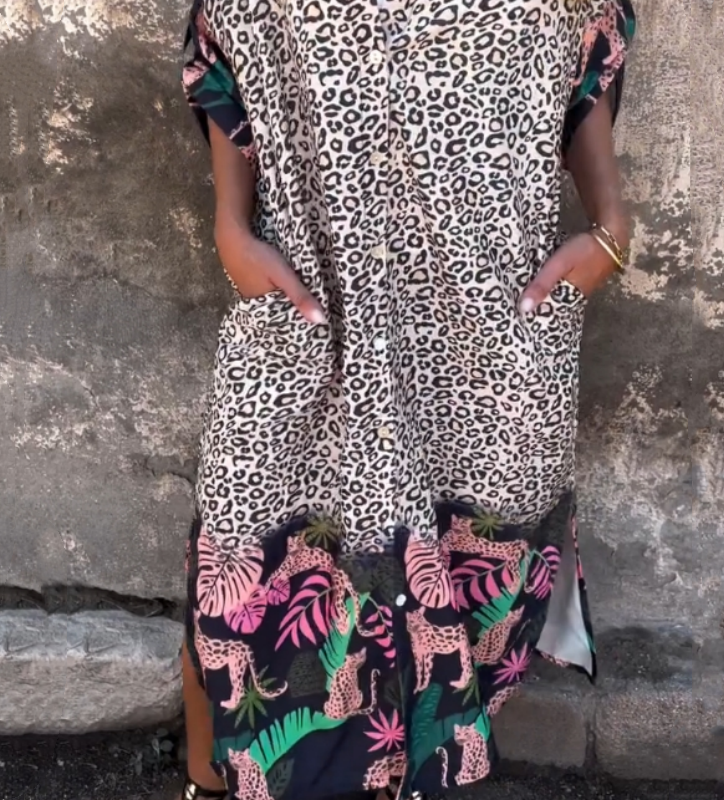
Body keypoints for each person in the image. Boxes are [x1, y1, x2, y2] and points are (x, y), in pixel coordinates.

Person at [178, 1, 635, 798]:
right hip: (314, 322)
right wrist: (230, 228)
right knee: (240, 574)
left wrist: (611, 229)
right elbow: (216, 46)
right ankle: (206, 782)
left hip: (483, 353)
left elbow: (591, 46)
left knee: (467, 585)